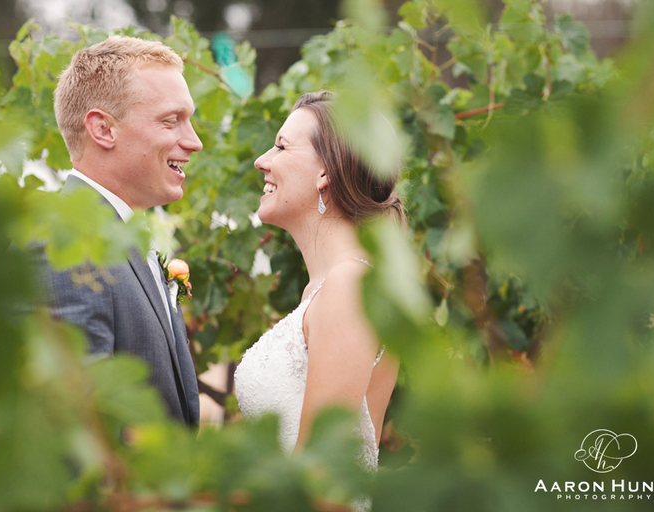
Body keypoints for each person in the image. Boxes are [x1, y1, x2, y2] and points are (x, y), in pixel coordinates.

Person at [234, 91, 401, 471]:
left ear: (325, 172)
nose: (262, 161)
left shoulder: (349, 286)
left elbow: (321, 471)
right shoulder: (332, 287)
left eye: (280, 147)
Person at [41, 37, 202, 424]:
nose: (194, 141)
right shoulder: (68, 245)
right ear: (103, 130)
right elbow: (81, 432)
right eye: (170, 120)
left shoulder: (124, 234)